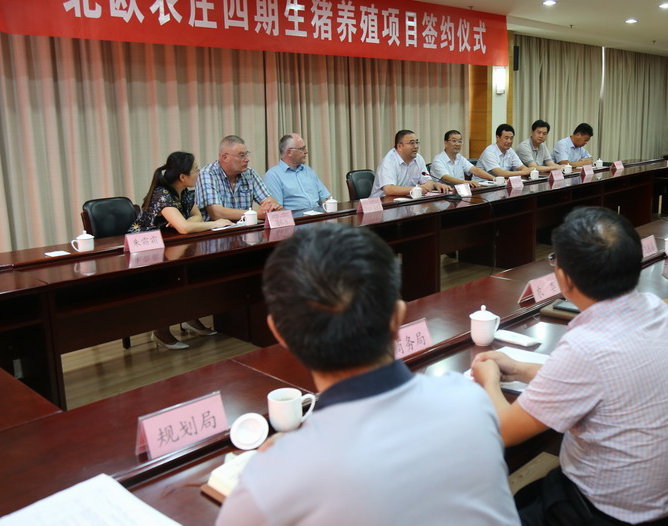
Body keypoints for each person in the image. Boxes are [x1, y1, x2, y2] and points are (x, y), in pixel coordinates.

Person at [216, 225, 519, 526]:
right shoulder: (470, 399)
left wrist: (278, 462)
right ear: (398, 318)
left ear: (279, 333)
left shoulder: (270, 482)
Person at [471, 207, 668, 526]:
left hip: (607, 515)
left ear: (565, 278)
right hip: (662, 506)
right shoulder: (658, 311)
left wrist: (488, 380)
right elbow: (600, 381)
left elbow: (504, 431)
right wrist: (519, 367)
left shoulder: (589, 346)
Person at [129, 151, 229, 349]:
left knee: (195, 271)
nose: (199, 173)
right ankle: (161, 331)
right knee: (170, 278)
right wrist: (215, 223)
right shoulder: (162, 194)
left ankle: (190, 316)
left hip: (170, 246)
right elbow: (184, 228)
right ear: (183, 177)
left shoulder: (185, 192)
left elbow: (196, 217)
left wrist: (186, 222)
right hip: (145, 252)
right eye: (195, 170)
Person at [196, 135, 281, 221]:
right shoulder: (208, 174)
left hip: (245, 228)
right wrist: (255, 214)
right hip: (217, 229)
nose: (247, 159)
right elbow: (217, 213)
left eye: (246, 154)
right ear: (225, 158)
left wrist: (271, 207)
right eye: (241, 155)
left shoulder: (249, 173)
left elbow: (271, 203)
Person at [369, 129, 452, 197]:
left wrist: (435, 185)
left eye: (417, 142)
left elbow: (428, 181)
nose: (416, 146)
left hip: (406, 201)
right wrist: (417, 188)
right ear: (400, 146)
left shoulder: (418, 159)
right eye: (412, 143)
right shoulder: (389, 161)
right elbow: (389, 189)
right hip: (383, 205)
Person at [262, 134, 332, 211]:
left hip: (318, 216)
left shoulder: (308, 171)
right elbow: (277, 210)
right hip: (296, 218)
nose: (306, 151)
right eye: (302, 149)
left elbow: (326, 198)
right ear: (289, 152)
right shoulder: (273, 176)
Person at [430, 129, 494, 187]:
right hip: (445, 193)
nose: (457, 144)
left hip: (461, 191)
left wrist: (494, 179)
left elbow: (475, 170)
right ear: (445, 143)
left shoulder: (460, 157)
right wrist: (467, 182)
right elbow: (447, 178)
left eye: (460, 141)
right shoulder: (438, 160)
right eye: (454, 141)